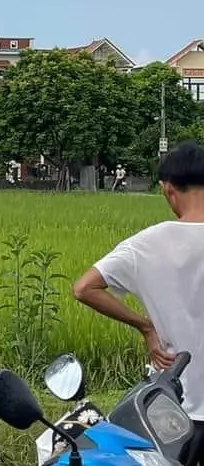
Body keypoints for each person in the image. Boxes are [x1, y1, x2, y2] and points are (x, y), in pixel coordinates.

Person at [73, 140, 204, 446]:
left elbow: (84, 288)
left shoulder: (147, 244)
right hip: (178, 402)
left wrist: (145, 327)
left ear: (167, 189)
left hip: (175, 405)